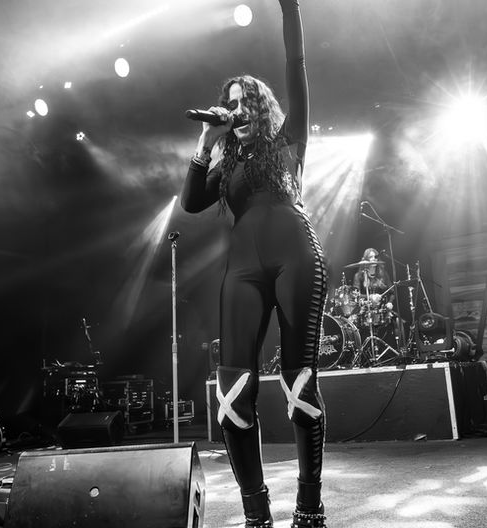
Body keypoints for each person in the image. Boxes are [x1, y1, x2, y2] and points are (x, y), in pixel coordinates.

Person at [180, 1, 327, 526]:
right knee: (231, 397)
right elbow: (190, 203)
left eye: (244, 103)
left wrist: (289, 6)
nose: (236, 111)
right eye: (230, 104)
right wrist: (206, 141)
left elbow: (296, 63)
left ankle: (309, 508)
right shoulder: (228, 167)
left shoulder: (289, 140)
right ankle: (256, 514)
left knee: (300, 387)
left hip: (295, 258)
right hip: (241, 271)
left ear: (260, 108)